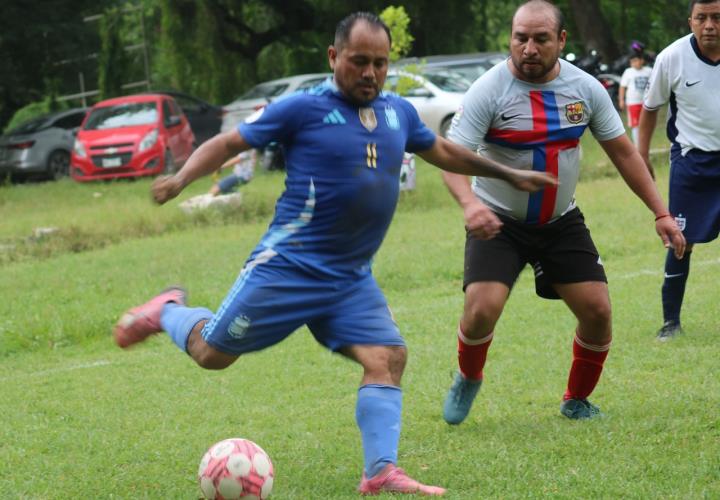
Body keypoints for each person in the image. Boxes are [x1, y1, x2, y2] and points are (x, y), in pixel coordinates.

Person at [112, 12, 557, 496]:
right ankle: (168, 310)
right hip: (288, 268)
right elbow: (227, 142)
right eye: (359, 61)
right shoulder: (301, 109)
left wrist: (508, 175)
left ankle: (380, 470)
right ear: (333, 57)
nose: (370, 73)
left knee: (388, 356)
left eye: (380, 64)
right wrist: (181, 179)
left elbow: (444, 153)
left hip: (349, 277)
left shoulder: (398, 113)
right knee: (211, 354)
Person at [439, 0, 686, 424]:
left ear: (561, 40)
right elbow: (451, 159)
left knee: (598, 312)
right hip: (499, 222)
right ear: (511, 39)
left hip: (560, 222)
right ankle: (468, 375)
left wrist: (660, 211)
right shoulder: (488, 90)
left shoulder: (585, 89)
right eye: (520, 38)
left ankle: (576, 400)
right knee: (481, 309)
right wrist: (469, 205)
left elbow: (624, 154)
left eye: (540, 38)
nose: (529, 48)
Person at [638, 0, 720, 341]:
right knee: (679, 240)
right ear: (691, 21)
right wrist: (641, 155)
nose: (710, 25)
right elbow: (650, 108)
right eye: (702, 18)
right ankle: (670, 322)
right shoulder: (671, 57)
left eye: (717, 17)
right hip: (692, 162)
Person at [618, 51, 652, 145]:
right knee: (635, 125)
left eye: (635, 61)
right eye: (631, 62)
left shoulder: (649, 71)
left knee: (646, 125)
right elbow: (622, 86)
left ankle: (645, 146)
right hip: (633, 103)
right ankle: (638, 147)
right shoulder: (628, 72)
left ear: (642, 60)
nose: (633, 63)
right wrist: (621, 100)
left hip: (646, 102)